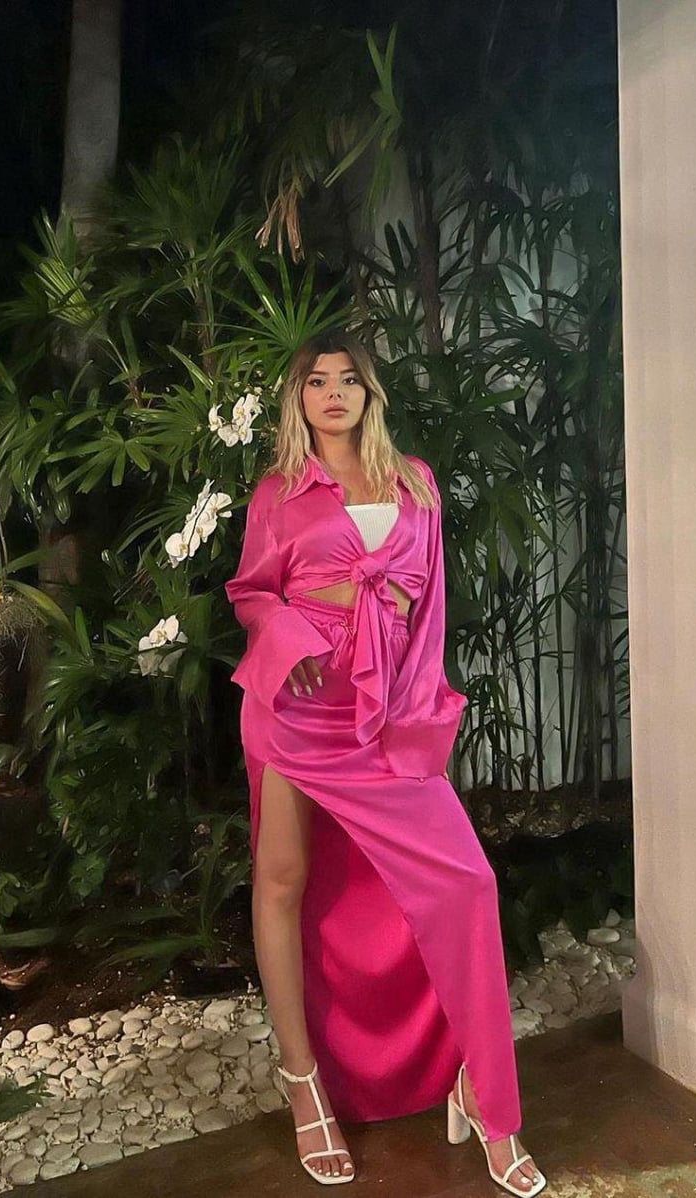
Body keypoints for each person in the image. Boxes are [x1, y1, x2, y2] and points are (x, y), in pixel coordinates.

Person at [224, 330, 546, 1195]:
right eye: (315, 381)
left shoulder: (415, 482)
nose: (332, 393)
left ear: (370, 394)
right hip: (297, 711)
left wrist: (416, 713)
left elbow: (429, 606)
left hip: (381, 714)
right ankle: (304, 1085)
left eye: (348, 380)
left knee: (468, 883)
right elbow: (252, 592)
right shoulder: (280, 492)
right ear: (298, 399)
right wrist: (288, 638)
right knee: (283, 882)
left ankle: (486, 1095)